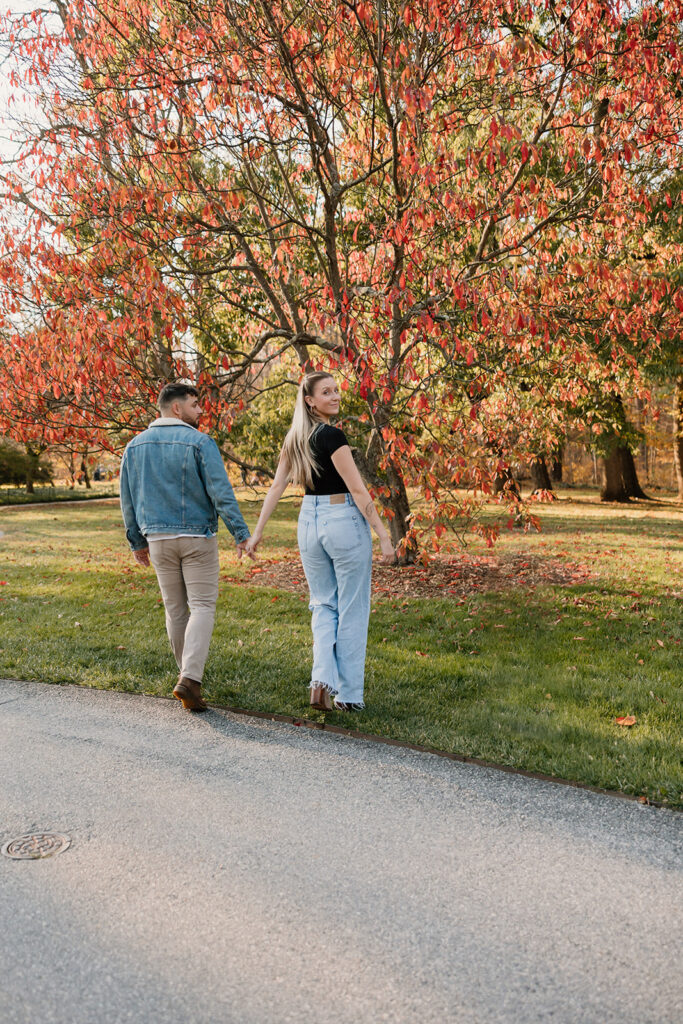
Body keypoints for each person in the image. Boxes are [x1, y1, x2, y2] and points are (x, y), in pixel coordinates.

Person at [246, 372, 396, 712]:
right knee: (352, 607)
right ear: (310, 400)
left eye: (336, 390)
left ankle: (320, 681)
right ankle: (348, 696)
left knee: (323, 604)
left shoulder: (294, 438)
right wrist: (384, 536)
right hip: (341, 518)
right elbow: (358, 490)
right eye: (326, 392)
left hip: (309, 523)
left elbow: (276, 487)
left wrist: (258, 532)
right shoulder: (333, 436)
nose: (335, 396)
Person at [120, 382, 253, 712]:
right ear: (176, 408)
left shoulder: (133, 447)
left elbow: (128, 500)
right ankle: (190, 678)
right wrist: (240, 533)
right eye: (195, 404)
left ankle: (187, 678)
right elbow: (220, 492)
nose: (200, 411)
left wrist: (137, 542)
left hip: (158, 540)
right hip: (196, 538)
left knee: (175, 609)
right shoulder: (200, 442)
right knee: (203, 605)